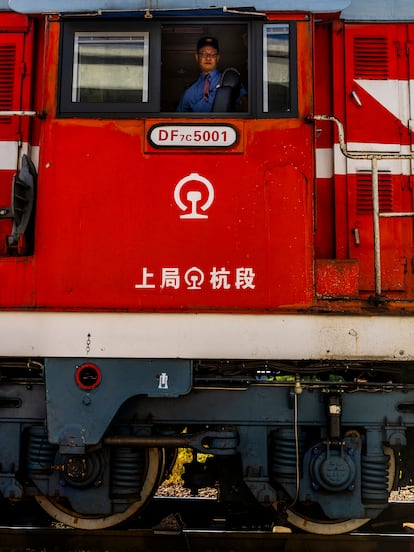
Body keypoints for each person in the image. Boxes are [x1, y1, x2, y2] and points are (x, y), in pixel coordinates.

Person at [176, 36, 246, 113]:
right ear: (197, 57)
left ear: (218, 58)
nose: (208, 58)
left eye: (212, 54)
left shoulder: (230, 79)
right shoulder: (189, 92)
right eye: (203, 54)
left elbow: (245, 106)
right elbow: (179, 120)